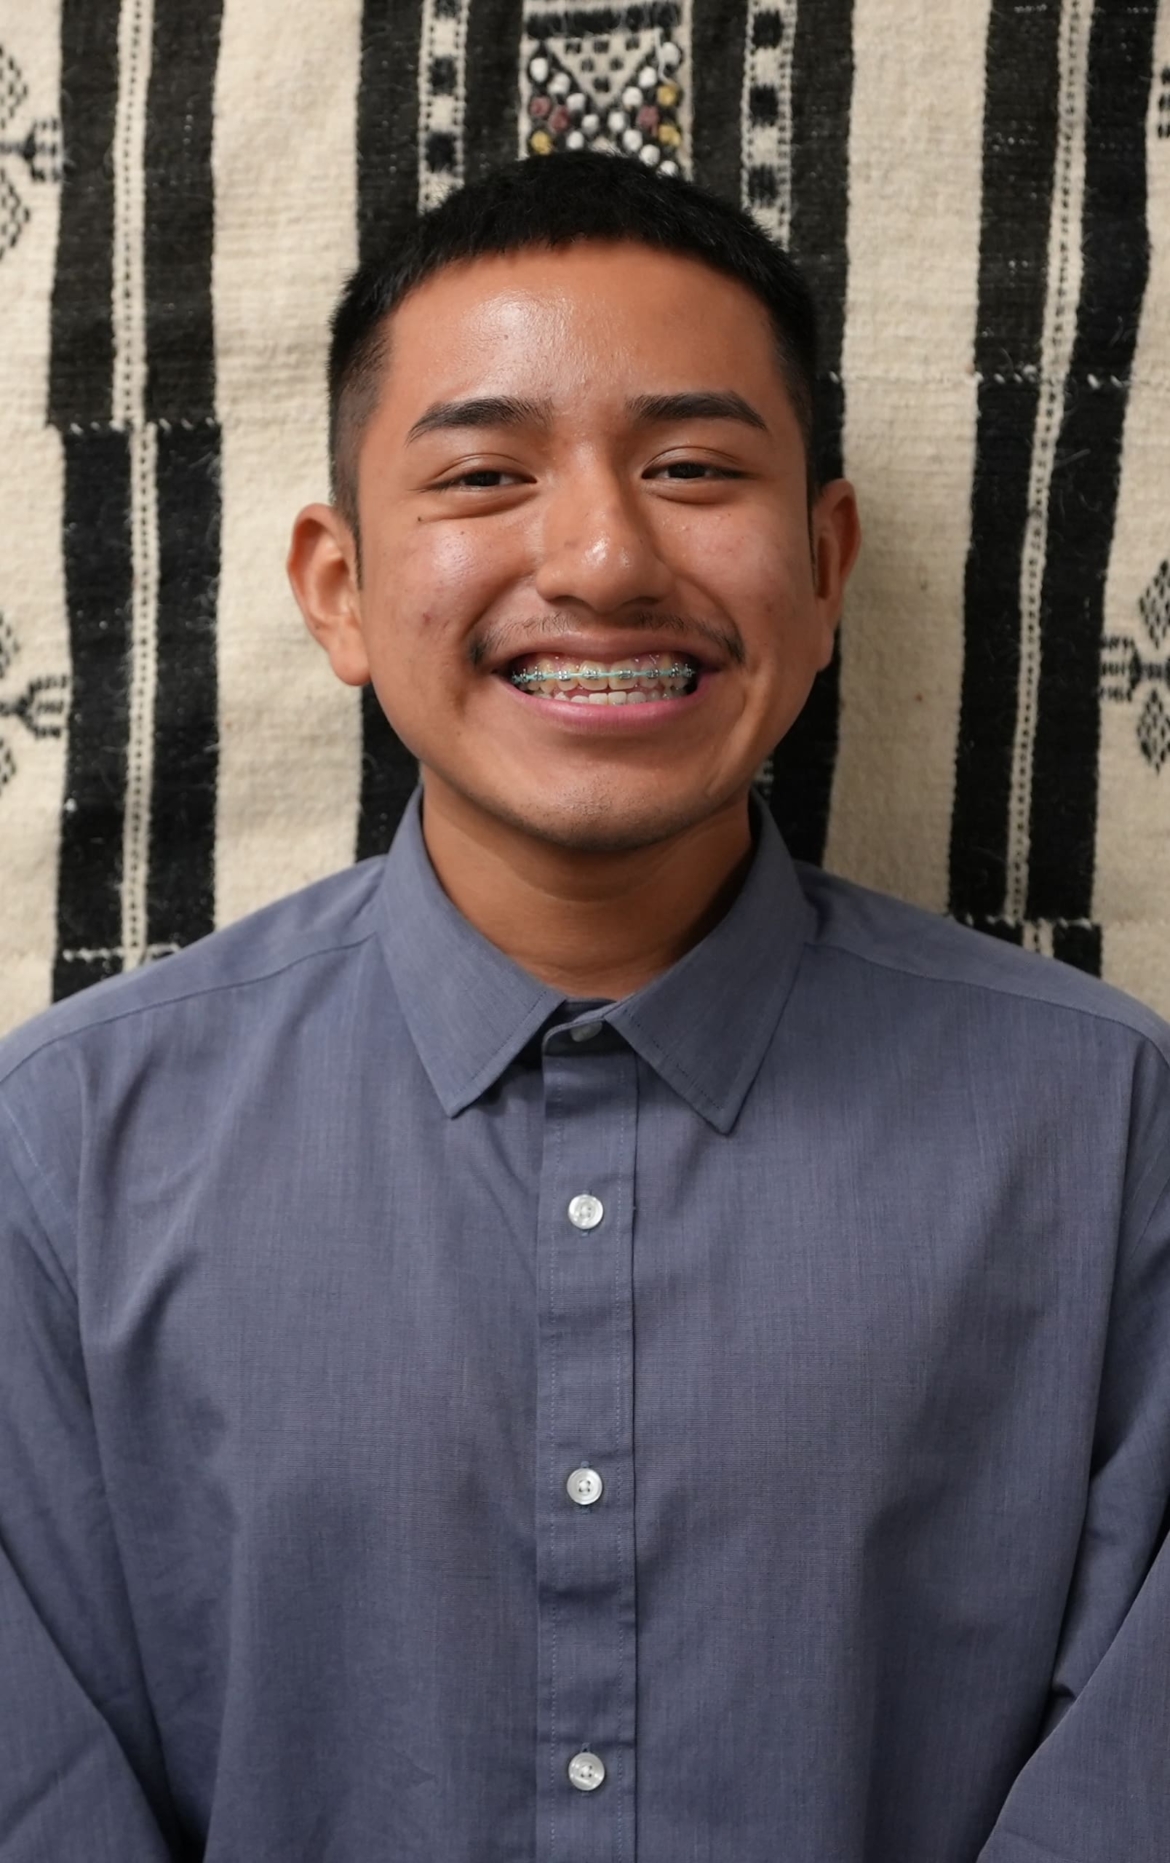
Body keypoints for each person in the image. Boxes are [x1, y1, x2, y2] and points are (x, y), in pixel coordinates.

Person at [0, 151, 1167, 1863]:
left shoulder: (1112, 1130)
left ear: (824, 561)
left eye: (693, 467)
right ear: (336, 586)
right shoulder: (61, 1151)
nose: (604, 556)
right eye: (483, 473)